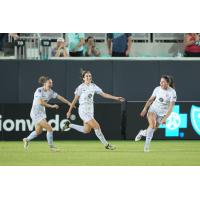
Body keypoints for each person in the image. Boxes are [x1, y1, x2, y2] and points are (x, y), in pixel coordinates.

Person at [63, 69, 125, 150]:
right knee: (97, 126)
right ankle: (107, 145)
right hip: (83, 111)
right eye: (87, 76)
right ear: (83, 78)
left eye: (90, 76)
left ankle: (69, 125)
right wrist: (69, 111)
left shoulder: (94, 86)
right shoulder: (80, 87)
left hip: (90, 111)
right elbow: (75, 100)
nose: (89, 77)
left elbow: (104, 94)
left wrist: (116, 98)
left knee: (86, 130)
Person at [23, 76, 72, 151]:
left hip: (41, 113)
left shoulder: (50, 92)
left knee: (38, 131)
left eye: (52, 82)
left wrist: (69, 103)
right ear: (44, 83)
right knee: (50, 129)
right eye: (50, 82)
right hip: (35, 113)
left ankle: (26, 139)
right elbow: (40, 102)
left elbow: (59, 97)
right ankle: (51, 147)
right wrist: (52, 106)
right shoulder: (39, 90)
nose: (51, 84)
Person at [135, 75, 177, 152]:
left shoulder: (172, 92)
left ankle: (142, 132)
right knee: (152, 125)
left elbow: (171, 107)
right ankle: (146, 147)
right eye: (160, 81)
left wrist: (165, 118)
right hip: (153, 110)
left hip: (162, 114)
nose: (161, 83)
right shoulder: (157, 89)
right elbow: (151, 100)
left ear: (168, 83)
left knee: (151, 130)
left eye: (163, 82)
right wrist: (144, 109)